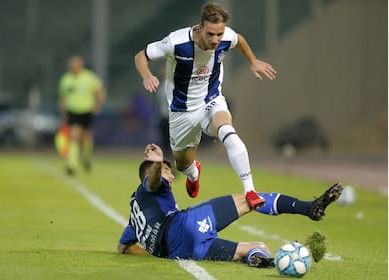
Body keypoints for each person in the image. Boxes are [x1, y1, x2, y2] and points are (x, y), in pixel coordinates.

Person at [134, 2, 277, 208]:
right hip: (181, 111)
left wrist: (253, 61)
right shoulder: (176, 42)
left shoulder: (226, 36)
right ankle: (194, 173)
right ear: (200, 27)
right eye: (211, 34)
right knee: (182, 165)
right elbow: (141, 56)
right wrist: (147, 76)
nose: (216, 40)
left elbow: (239, 41)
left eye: (219, 34)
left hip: (211, 100)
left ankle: (250, 191)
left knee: (228, 131)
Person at [117, 143, 343, 266]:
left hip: (182, 251)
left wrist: (156, 252)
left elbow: (123, 248)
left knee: (258, 247)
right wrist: (157, 163)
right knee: (250, 198)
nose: (171, 176)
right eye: (168, 170)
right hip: (183, 226)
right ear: (151, 172)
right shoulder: (149, 186)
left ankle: (258, 258)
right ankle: (308, 208)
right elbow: (153, 180)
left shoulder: (135, 215)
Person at [58, 55, 106, 175]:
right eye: (72, 64)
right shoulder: (66, 79)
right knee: (74, 136)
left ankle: (86, 158)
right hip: (73, 111)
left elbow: (99, 90)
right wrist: (63, 112)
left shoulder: (89, 77)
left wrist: (98, 105)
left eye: (76, 64)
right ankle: (72, 165)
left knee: (85, 137)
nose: (73, 66)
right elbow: (63, 97)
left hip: (87, 111)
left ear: (81, 65)